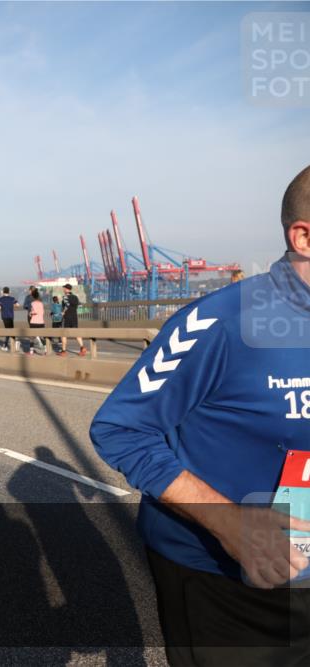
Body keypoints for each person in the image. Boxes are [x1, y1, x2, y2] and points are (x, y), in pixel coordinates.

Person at [90, 165, 310, 666]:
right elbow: (120, 429)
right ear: (304, 236)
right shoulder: (220, 322)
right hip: (226, 578)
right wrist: (228, 522)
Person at [58, 284, 87, 357]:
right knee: (76, 333)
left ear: (67, 289)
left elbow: (66, 306)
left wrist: (63, 312)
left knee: (64, 334)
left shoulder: (65, 297)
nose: (63, 289)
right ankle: (82, 347)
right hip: (74, 317)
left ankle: (63, 351)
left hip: (67, 317)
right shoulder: (75, 297)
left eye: (64, 288)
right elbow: (78, 305)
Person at [26, 288, 46, 355]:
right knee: (42, 336)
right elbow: (43, 312)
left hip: (34, 321)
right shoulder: (41, 303)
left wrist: (30, 313)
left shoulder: (32, 303)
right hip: (41, 321)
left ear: (33, 297)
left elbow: (33, 312)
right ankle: (45, 350)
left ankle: (31, 351)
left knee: (31, 337)